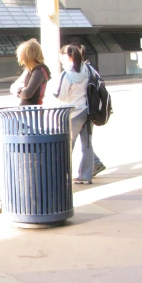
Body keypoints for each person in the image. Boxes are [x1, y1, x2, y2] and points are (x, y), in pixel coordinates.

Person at [53, 44, 94, 184]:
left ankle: (62, 176)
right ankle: (86, 176)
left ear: (67, 56)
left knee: (67, 146)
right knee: (87, 144)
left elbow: (61, 96)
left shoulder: (66, 74)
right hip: (88, 111)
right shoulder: (87, 69)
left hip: (74, 113)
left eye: (61, 55)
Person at [71, 43, 106, 177]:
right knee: (86, 143)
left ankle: (67, 171)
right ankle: (94, 164)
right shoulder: (90, 69)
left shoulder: (78, 70)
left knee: (71, 142)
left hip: (79, 110)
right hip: (90, 110)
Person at [10, 39, 52, 105]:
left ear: (27, 56)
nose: (20, 59)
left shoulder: (39, 71)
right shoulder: (33, 70)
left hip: (33, 111)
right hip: (31, 111)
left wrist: (19, 90)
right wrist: (22, 90)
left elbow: (27, 94)